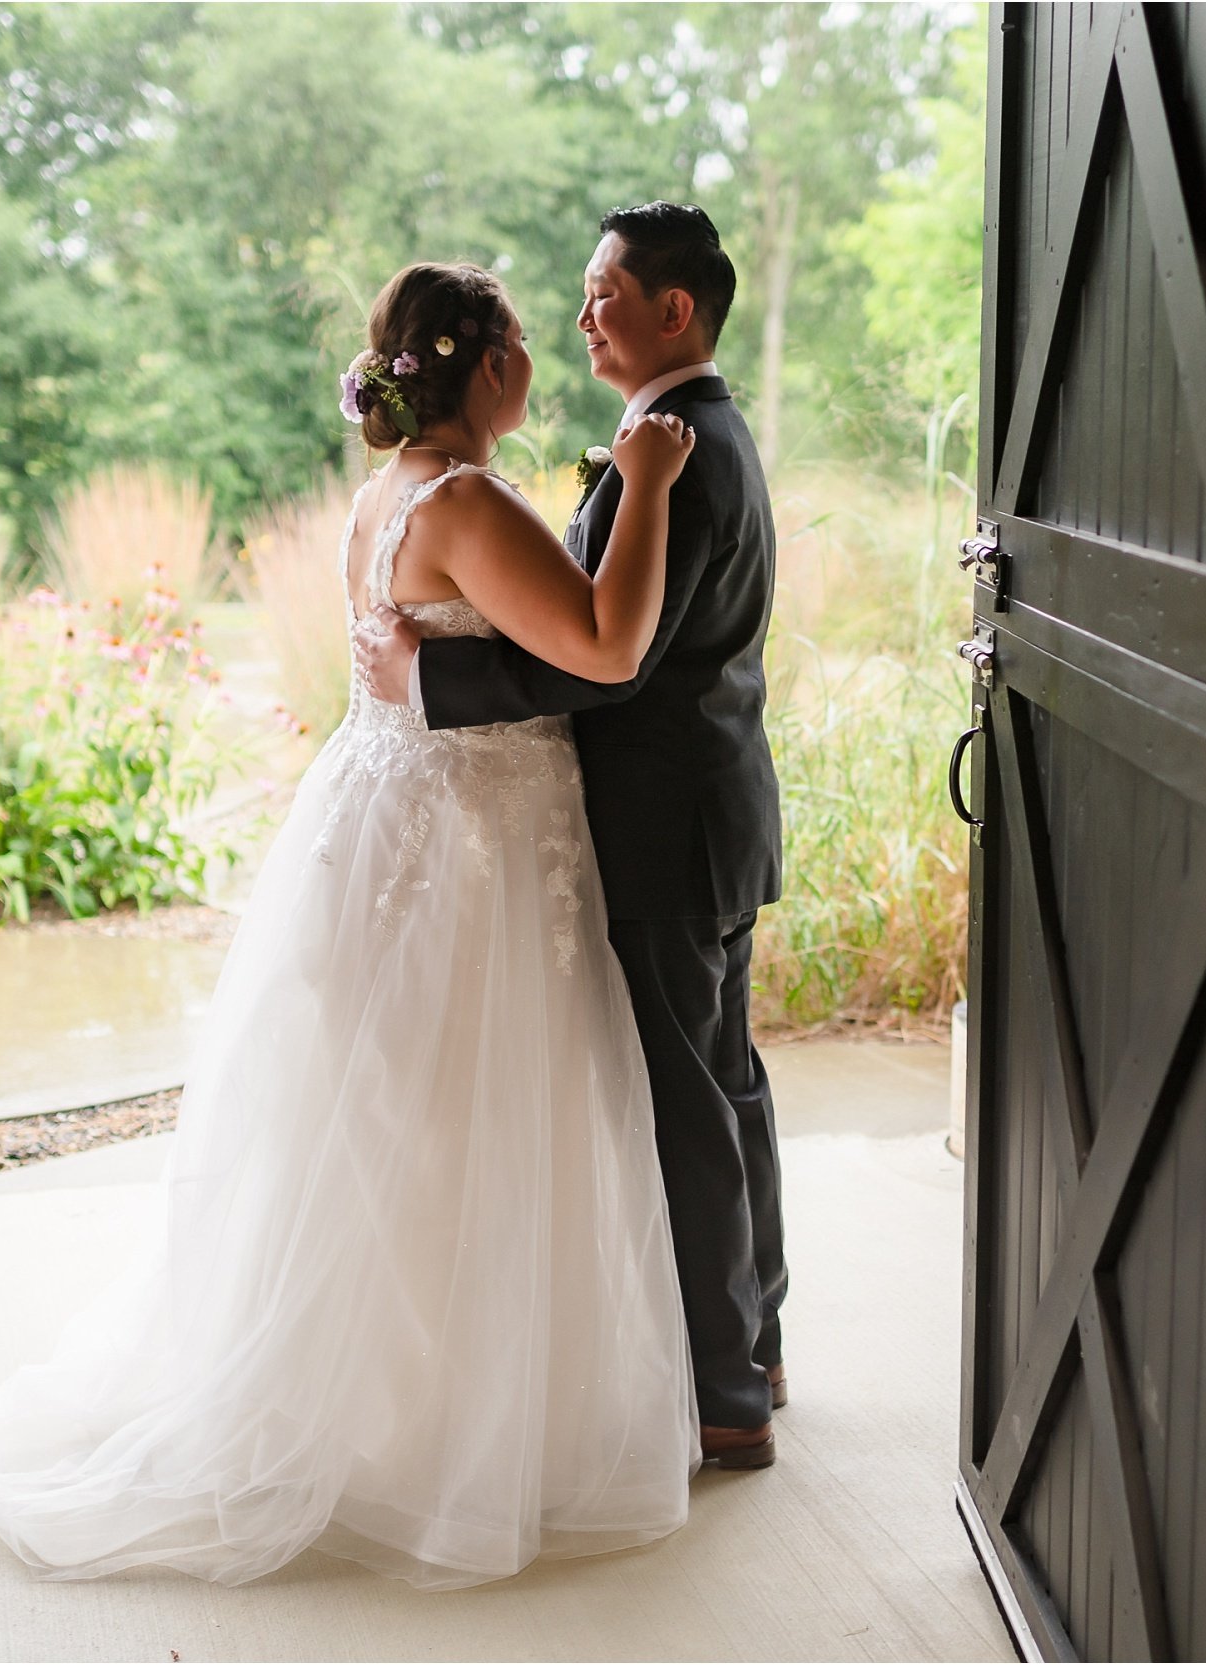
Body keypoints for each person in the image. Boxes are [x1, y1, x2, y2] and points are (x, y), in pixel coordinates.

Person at [0, 260, 703, 1590]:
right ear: (482, 367)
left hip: (382, 821)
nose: (537, 358)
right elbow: (603, 645)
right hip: (472, 849)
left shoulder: (383, 493)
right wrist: (644, 487)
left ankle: (404, 1414)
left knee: (385, 1126)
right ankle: (444, 1440)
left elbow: (428, 657)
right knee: (477, 1121)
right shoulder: (466, 497)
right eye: (524, 339)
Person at [356, 203, 788, 1468]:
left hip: (663, 831)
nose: (585, 313)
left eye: (607, 293)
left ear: (677, 310)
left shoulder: (682, 450)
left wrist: (423, 686)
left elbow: (611, 665)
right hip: (700, 817)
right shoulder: (692, 433)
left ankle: (726, 1394)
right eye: (579, 296)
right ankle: (753, 1344)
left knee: (690, 1110)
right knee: (728, 1092)